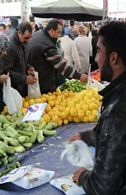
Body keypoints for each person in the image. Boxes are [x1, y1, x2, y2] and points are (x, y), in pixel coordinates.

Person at [69, 21, 126, 194]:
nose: (96, 59)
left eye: (99, 51)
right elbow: (119, 138)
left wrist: (83, 176)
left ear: (113, 58)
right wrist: (85, 136)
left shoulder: (117, 111)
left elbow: (103, 186)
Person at [25, 19, 88, 94]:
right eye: (58, 32)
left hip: (31, 77)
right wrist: (79, 76)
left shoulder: (36, 34)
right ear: (51, 31)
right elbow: (61, 66)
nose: (59, 36)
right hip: (42, 82)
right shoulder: (47, 45)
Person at [1, 21, 37, 97]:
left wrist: (28, 67)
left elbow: (19, 61)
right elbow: (6, 71)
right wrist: (24, 79)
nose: (28, 41)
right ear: (19, 33)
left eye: (29, 38)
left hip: (20, 87)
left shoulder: (20, 43)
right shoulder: (11, 47)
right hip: (13, 90)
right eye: (26, 38)